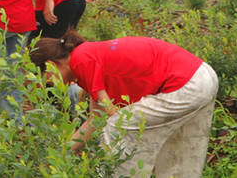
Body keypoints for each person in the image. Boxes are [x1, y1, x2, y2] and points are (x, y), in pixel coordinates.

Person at [30, 30, 218, 178]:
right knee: (181, 144)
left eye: (45, 79)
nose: (49, 84)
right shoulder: (90, 55)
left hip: (185, 85)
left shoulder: (80, 59)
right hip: (201, 76)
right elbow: (96, 118)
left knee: (117, 128)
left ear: (50, 64)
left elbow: (113, 116)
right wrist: (61, 153)